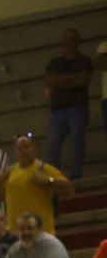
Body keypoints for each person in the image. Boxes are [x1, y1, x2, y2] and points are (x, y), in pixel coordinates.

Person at [43, 28, 93, 180]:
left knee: (76, 142)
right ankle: (55, 177)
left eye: (72, 39)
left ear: (77, 41)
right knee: (53, 144)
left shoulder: (84, 61)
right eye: (66, 39)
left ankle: (76, 175)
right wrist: (70, 79)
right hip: (58, 109)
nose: (68, 43)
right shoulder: (55, 62)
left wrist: (60, 80)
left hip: (78, 107)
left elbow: (82, 81)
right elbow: (49, 81)